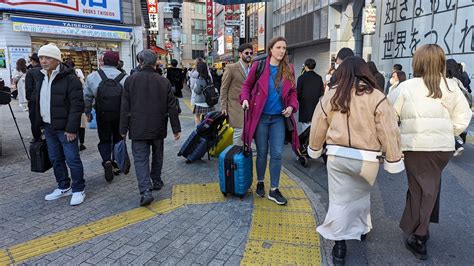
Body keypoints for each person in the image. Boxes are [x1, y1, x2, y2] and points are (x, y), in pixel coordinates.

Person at [308, 56, 404, 265]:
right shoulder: (377, 96)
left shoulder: (332, 94)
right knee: (361, 197)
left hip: (337, 156)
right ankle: (361, 230)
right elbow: (388, 130)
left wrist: (314, 149)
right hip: (368, 158)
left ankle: (339, 245)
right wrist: (393, 159)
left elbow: (318, 124)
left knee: (339, 201)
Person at [392, 44, 471, 260]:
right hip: (442, 148)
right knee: (430, 188)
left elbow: (390, 114)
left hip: (415, 147)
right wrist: (448, 130)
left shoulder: (406, 87)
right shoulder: (452, 87)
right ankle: (421, 229)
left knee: (419, 189)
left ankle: (419, 236)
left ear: (418, 61)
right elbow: (464, 117)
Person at [240, 36, 300, 206]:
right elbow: (246, 86)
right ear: (271, 49)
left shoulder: (289, 69)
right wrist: (244, 100)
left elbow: (293, 92)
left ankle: (274, 189)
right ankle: (260, 181)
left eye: (284, 48)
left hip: (279, 118)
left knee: (277, 153)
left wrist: (291, 107)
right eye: (279, 47)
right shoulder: (259, 66)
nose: (282, 51)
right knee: (261, 152)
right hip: (260, 117)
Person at [120, 49, 181, 206]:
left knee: (140, 159)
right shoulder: (163, 81)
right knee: (157, 155)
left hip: (137, 126)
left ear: (140, 62)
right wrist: (176, 128)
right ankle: (156, 180)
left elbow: (125, 107)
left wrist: (123, 130)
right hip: (158, 126)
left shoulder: (130, 80)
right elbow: (172, 106)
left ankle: (145, 190)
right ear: (155, 63)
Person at [32, 43, 86, 205]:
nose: (43, 61)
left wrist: (71, 128)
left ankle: (78, 189)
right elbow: (38, 101)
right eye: (41, 57)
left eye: (47, 58)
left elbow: (77, 106)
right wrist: (38, 124)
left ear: (57, 60)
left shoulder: (70, 79)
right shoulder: (40, 77)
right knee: (55, 159)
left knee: (72, 159)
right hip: (48, 127)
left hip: (65, 128)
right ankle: (63, 187)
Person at [84, 51, 127, 182]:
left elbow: (87, 97)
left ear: (103, 60)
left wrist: (88, 112)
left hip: (102, 114)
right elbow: (129, 99)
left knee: (104, 139)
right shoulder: (125, 77)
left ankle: (107, 160)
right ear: (117, 62)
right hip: (120, 114)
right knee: (119, 138)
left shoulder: (92, 76)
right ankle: (117, 163)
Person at [220, 43, 254, 146]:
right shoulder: (231, 68)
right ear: (240, 54)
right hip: (235, 106)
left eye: (251, 53)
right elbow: (224, 89)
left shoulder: (253, 68)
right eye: (246, 53)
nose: (249, 55)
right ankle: (236, 156)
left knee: (247, 132)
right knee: (239, 132)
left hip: (250, 106)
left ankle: (243, 155)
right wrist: (223, 107)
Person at [446, 59, 470, 157]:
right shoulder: (461, 77)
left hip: (450, 104)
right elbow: (467, 87)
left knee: (447, 126)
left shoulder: (448, 79)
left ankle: (456, 144)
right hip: (461, 104)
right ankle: (459, 139)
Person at [64, 58, 87, 151]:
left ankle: (75, 142)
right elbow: (83, 86)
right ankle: (81, 143)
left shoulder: (63, 77)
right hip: (80, 106)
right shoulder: (77, 75)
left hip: (68, 108)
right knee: (81, 125)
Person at [296, 58, 324, 132]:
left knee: (305, 130)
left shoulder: (301, 78)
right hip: (315, 106)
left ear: (305, 66)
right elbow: (321, 92)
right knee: (314, 130)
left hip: (304, 106)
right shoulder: (319, 78)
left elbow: (297, 93)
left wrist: (300, 100)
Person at [25, 53, 42, 142]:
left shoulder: (31, 72)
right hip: (45, 98)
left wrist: (29, 98)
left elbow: (28, 88)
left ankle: (36, 137)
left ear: (34, 61)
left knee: (34, 119)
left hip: (34, 100)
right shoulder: (46, 70)